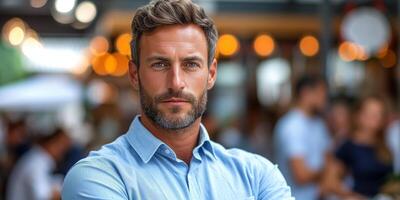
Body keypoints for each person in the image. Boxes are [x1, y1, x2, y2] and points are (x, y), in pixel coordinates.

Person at [62, 0, 292, 199]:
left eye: (191, 65)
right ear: (134, 74)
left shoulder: (257, 174)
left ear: (211, 74)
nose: (176, 82)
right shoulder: (97, 176)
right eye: (159, 64)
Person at [323, 96, 393, 199]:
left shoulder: (384, 146)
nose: (374, 118)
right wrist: (353, 196)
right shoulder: (348, 146)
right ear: (358, 115)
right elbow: (330, 182)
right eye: (370, 113)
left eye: (378, 114)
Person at [274, 75, 331, 200]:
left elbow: (329, 159)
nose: (325, 98)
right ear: (306, 93)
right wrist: (327, 172)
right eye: (321, 93)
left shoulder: (319, 124)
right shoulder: (291, 126)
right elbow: (301, 175)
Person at [7, 128, 71, 200]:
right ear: (52, 143)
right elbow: (43, 197)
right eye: (62, 147)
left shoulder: (36, 158)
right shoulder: (36, 164)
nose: (63, 153)